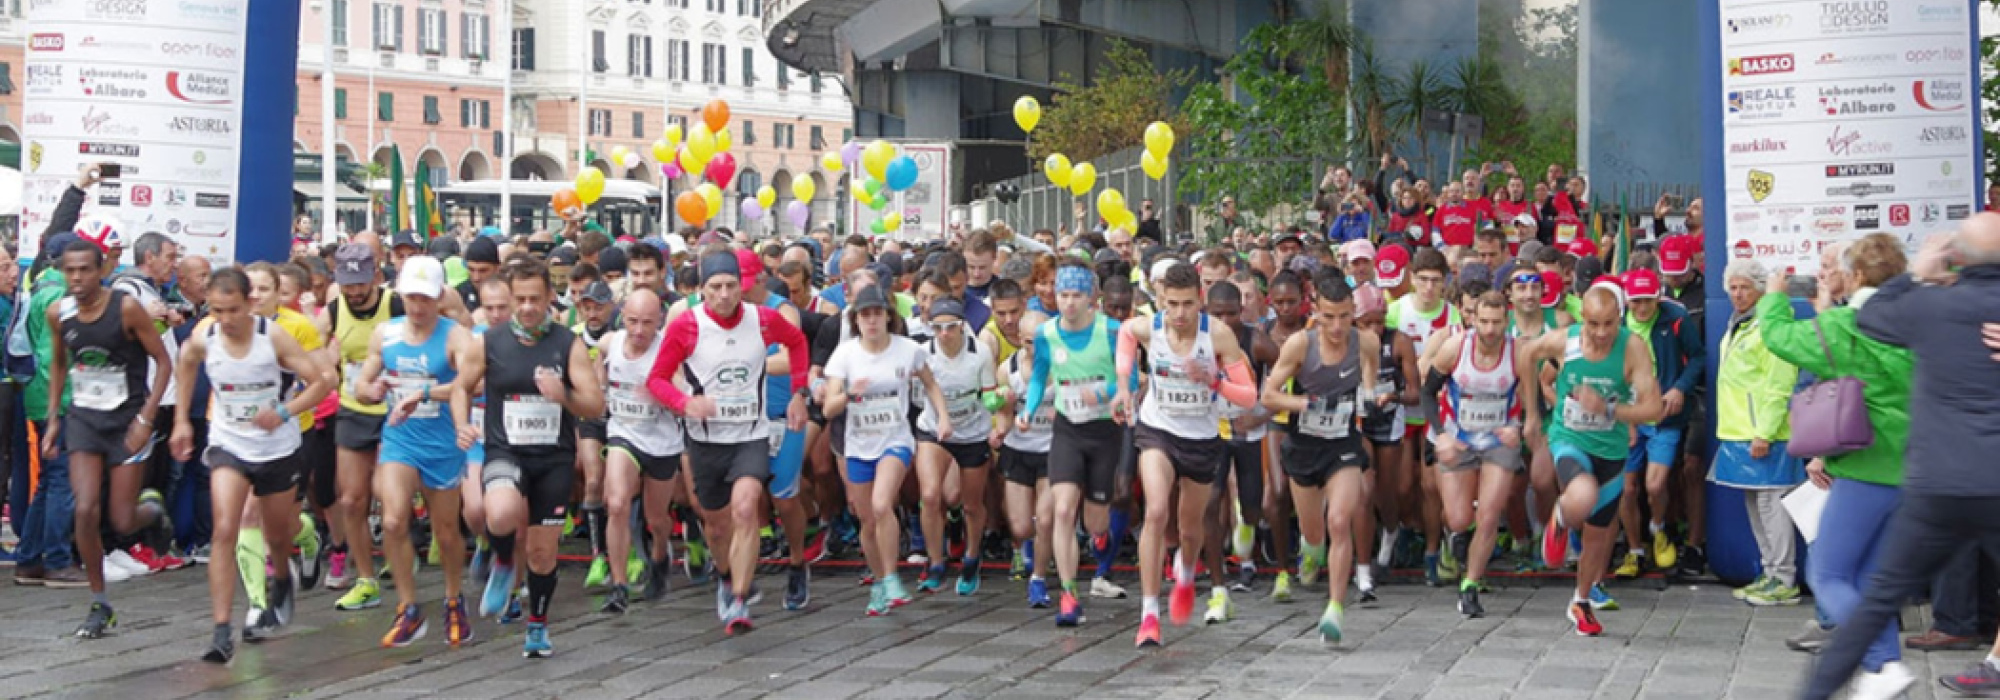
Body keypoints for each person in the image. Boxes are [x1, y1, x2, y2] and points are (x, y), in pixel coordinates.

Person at [1802, 219, 2000, 700]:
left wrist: (1919, 271)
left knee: (1876, 598)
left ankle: (1829, 688)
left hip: (1937, 484)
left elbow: (1871, 315)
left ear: (1957, 258)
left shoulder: (1933, 305)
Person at [172, 267, 334, 662]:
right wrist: (180, 421)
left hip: (277, 447)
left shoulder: (271, 337)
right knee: (226, 528)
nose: (224, 320)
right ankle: (221, 629)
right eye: (216, 310)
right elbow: (186, 362)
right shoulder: (205, 334)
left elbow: (322, 381)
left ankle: (282, 577)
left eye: (232, 310)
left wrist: (284, 410)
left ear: (249, 303)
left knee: (278, 534)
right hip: (230, 442)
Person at [643, 251, 809, 634]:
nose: (724, 295)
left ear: (742, 286)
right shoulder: (687, 325)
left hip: (751, 434)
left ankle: (739, 598)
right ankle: (724, 576)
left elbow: (798, 344)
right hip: (706, 440)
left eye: (731, 286)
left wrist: (799, 393)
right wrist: (685, 403)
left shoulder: (763, 319)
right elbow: (657, 379)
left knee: (747, 507)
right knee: (717, 527)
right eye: (715, 287)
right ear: (702, 289)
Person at [460, 256, 604, 658]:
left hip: (552, 459)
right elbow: (460, 386)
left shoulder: (566, 343)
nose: (526, 307)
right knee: (501, 514)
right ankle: (504, 561)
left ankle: (537, 625)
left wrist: (565, 396)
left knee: (542, 553)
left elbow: (594, 404)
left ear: (549, 297)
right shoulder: (490, 341)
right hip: (505, 450)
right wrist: (461, 423)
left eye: (534, 299)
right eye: (519, 299)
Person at [1115, 262, 1259, 647]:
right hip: (1157, 429)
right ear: (1162, 300)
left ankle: (1186, 573)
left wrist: (1212, 380)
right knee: (1157, 511)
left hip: (1201, 437)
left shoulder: (1219, 336)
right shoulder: (1152, 327)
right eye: (1172, 304)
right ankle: (1148, 614)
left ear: (1200, 301)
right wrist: (1123, 383)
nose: (1179, 314)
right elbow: (1126, 335)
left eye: (1187, 305)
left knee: (1190, 527)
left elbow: (1250, 396)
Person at [46, 236, 176, 638]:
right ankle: (100, 602)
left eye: (86, 269)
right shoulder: (59, 312)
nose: (78, 277)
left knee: (121, 519)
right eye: (70, 270)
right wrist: (53, 420)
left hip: (126, 422)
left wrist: (146, 417)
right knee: (84, 510)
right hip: (85, 419)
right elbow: (59, 364)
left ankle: (152, 511)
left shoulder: (126, 308)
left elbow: (163, 361)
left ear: (102, 270)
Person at [1516, 286, 1664, 637]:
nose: (1601, 332)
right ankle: (1559, 517)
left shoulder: (1632, 348)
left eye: (1609, 323)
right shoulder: (1565, 341)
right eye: (1593, 323)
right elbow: (1527, 355)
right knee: (1582, 492)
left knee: (1599, 538)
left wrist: (1610, 409)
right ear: (1582, 317)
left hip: (1611, 450)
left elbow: (1654, 408)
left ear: (1620, 318)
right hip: (1570, 438)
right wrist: (1533, 414)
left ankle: (1580, 602)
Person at [353, 256, 479, 647]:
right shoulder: (386, 334)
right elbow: (361, 382)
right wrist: (369, 390)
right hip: (401, 439)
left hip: (443, 443)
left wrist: (424, 392)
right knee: (392, 521)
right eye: (411, 298)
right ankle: (408, 608)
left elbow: (468, 385)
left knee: (446, 532)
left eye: (426, 298)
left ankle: (454, 598)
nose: (418, 307)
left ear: (440, 296)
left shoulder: (456, 337)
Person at [1262, 271, 1382, 644]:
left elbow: (1370, 378)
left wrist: (1367, 397)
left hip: (1342, 443)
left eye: (1345, 316)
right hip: (1305, 444)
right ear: (1315, 312)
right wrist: (1306, 403)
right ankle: (1310, 553)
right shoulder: (1300, 345)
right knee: (1314, 533)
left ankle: (1335, 607)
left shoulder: (1366, 342)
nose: (1337, 326)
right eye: (1329, 317)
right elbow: (1268, 396)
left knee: (1340, 519)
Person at [822, 284, 950, 615]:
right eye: (865, 315)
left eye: (878, 314)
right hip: (858, 444)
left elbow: (931, 384)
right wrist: (851, 394)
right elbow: (828, 409)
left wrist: (943, 417)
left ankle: (892, 577)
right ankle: (879, 581)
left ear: (888, 317)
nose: (872, 321)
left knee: (882, 504)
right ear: (856, 320)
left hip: (896, 439)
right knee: (866, 519)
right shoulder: (846, 355)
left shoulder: (907, 350)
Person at [1021, 261, 1128, 627]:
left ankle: (1099, 538)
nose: (1068, 303)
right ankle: (1069, 594)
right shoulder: (1046, 333)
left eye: (1076, 296)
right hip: (1068, 429)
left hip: (1104, 431)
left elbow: (1131, 379)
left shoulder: (1112, 331)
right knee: (1063, 510)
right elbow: (1039, 377)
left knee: (1095, 520)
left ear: (1091, 299)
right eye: (1063, 295)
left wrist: (1102, 390)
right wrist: (1028, 408)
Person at [1422, 291, 1525, 618]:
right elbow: (1427, 392)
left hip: (1498, 440)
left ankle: (1470, 586)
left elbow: (1536, 398)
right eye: (1484, 321)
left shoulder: (1518, 352)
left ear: (1506, 321)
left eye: (1497, 322)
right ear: (1472, 320)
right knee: (1458, 517)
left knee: (1490, 514)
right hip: (1459, 438)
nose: (1491, 329)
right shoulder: (1456, 348)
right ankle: (1456, 539)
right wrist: (1440, 436)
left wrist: (1519, 426)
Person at [1707, 260, 1804, 607]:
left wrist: (1764, 432)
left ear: (1762, 289)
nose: (1737, 293)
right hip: (1738, 432)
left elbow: (1781, 385)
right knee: (1756, 506)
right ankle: (1769, 572)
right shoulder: (1740, 324)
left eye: (1745, 286)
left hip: (1765, 434)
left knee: (1772, 506)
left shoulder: (1770, 326)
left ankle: (1784, 577)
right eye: (1732, 287)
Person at [596, 289, 683, 611]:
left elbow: (682, 397)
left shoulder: (668, 350)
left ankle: (660, 552)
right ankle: (619, 586)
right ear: (622, 317)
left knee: (656, 518)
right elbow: (597, 378)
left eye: (647, 323)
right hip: (624, 433)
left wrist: (663, 393)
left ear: (659, 321)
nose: (638, 330)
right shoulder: (610, 343)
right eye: (632, 321)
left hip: (662, 441)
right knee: (616, 503)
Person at [1614, 267, 1703, 580]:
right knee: (1626, 487)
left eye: (1647, 301)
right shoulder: (1618, 326)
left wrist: (1679, 387)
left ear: (1658, 298)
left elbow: (1697, 357)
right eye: (1635, 301)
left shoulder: (1675, 318)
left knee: (1655, 484)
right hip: (1629, 414)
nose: (1641, 308)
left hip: (1665, 414)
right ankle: (1635, 549)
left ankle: (1658, 527)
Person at [911, 298, 1000, 595]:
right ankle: (936, 562)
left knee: (971, 503)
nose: (945, 334)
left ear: (962, 326)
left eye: (951, 327)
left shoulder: (980, 353)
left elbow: (989, 395)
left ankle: (972, 556)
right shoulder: (923, 353)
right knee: (930, 494)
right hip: (934, 429)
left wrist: (1003, 405)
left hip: (972, 432)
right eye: (938, 328)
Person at [998, 309, 1056, 607]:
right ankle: (1031, 550)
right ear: (1021, 341)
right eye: (1032, 342)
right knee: (1021, 527)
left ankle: (1039, 579)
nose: (1039, 348)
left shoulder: (1063, 367)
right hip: (1019, 449)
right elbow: (1002, 417)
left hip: (1052, 450)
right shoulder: (1008, 369)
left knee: (1045, 520)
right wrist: (1001, 424)